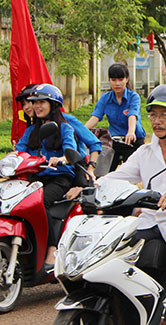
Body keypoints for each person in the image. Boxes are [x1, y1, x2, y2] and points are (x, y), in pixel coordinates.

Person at [98, 85, 166, 325]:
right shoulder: (145, 152)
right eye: (153, 115)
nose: (156, 122)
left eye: (164, 115)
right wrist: (90, 187)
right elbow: (120, 176)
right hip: (151, 220)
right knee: (117, 254)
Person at [16, 84, 93, 271]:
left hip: (60, 178)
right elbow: (20, 151)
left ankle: (51, 249)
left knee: (40, 203)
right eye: (34, 103)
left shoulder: (64, 127)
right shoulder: (31, 130)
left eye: (41, 102)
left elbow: (70, 149)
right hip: (36, 178)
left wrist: (62, 158)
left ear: (53, 104)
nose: (37, 106)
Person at [85, 63, 146, 171]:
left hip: (133, 139)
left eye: (120, 79)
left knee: (132, 172)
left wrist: (131, 132)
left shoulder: (134, 97)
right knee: (106, 172)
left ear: (127, 79)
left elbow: (132, 115)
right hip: (114, 140)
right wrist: (81, 131)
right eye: (113, 80)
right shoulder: (105, 98)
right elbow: (95, 117)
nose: (117, 83)